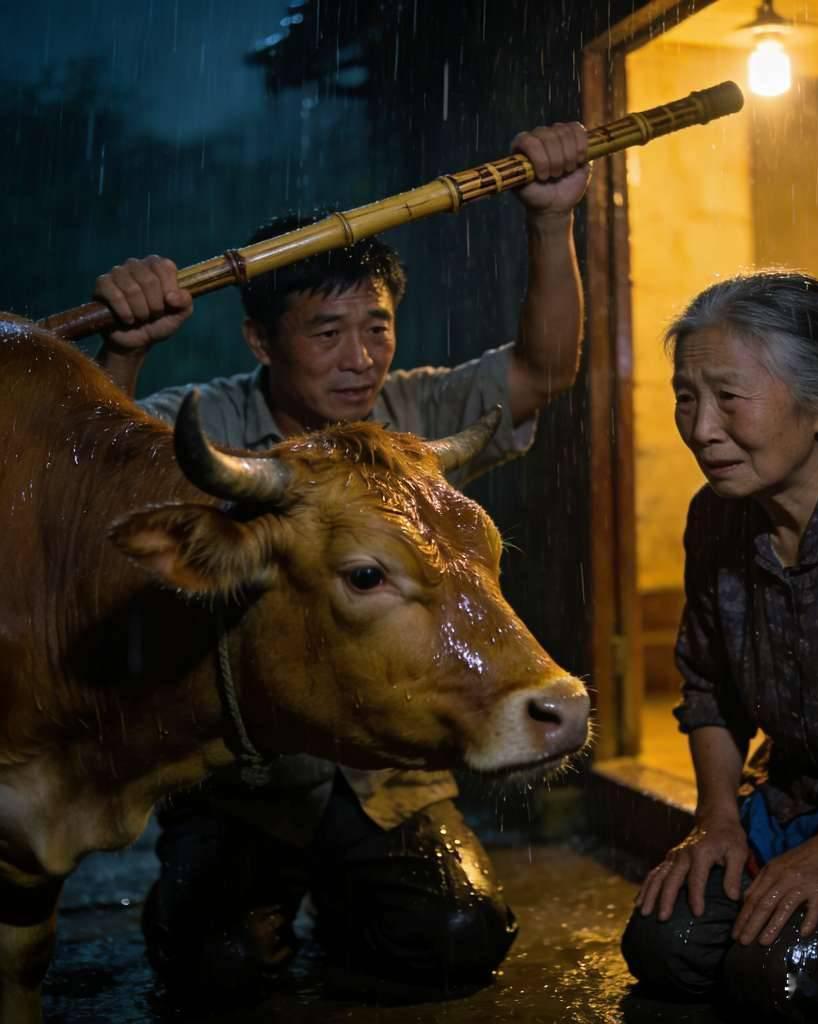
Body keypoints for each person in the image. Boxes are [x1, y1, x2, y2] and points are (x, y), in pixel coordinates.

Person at [92, 123, 591, 1002]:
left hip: (389, 776)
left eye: (377, 326)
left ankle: (357, 893)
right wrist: (126, 348)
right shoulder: (200, 429)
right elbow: (91, 472)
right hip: (242, 783)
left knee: (453, 941)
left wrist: (551, 220)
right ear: (258, 340)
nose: (360, 360)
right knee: (217, 973)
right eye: (326, 332)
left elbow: (542, 370)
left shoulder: (409, 412)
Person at [620, 271, 818, 1021]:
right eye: (686, 397)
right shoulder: (717, 516)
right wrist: (716, 821)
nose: (700, 428)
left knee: (780, 974)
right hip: (788, 800)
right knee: (666, 947)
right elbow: (706, 689)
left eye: (728, 397)